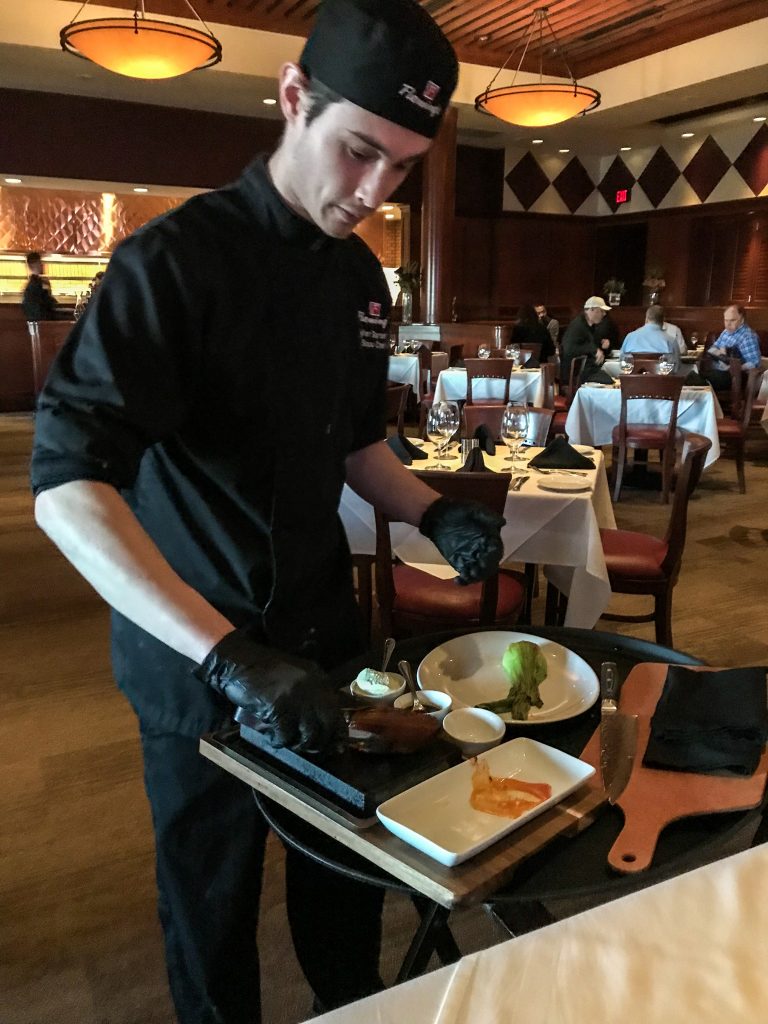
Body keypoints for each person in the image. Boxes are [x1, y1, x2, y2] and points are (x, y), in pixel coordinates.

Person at [30, 3, 504, 1022]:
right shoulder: (173, 264)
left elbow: (353, 445)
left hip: (327, 644)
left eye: (404, 167)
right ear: (295, 99)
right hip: (195, 661)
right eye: (359, 152)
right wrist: (225, 656)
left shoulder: (360, 278)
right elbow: (67, 487)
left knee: (345, 883)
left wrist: (434, 512)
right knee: (212, 905)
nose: (374, 191)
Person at [702, 304, 762, 391]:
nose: (728, 324)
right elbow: (712, 349)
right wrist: (721, 354)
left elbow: (755, 363)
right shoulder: (726, 332)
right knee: (693, 377)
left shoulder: (748, 336)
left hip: (733, 377)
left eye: (732, 320)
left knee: (696, 380)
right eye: (726, 320)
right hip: (717, 371)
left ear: (742, 320)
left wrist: (736, 367)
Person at [560, 295, 614, 385]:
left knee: (610, 378)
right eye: (601, 311)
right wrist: (594, 350)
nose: (604, 314)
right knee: (609, 381)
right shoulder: (577, 326)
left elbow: (593, 347)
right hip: (576, 375)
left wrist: (603, 346)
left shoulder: (591, 326)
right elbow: (569, 349)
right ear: (591, 310)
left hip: (587, 370)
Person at [620, 305, 680, 370]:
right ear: (663, 320)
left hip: (633, 379)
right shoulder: (671, 340)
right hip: (661, 379)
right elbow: (676, 368)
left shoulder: (630, 337)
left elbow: (621, 363)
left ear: (646, 318)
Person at [21, 251, 61, 321]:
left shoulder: (30, 285)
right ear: (37, 264)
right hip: (44, 323)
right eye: (40, 262)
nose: (42, 265)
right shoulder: (39, 283)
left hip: (36, 322)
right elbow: (47, 303)